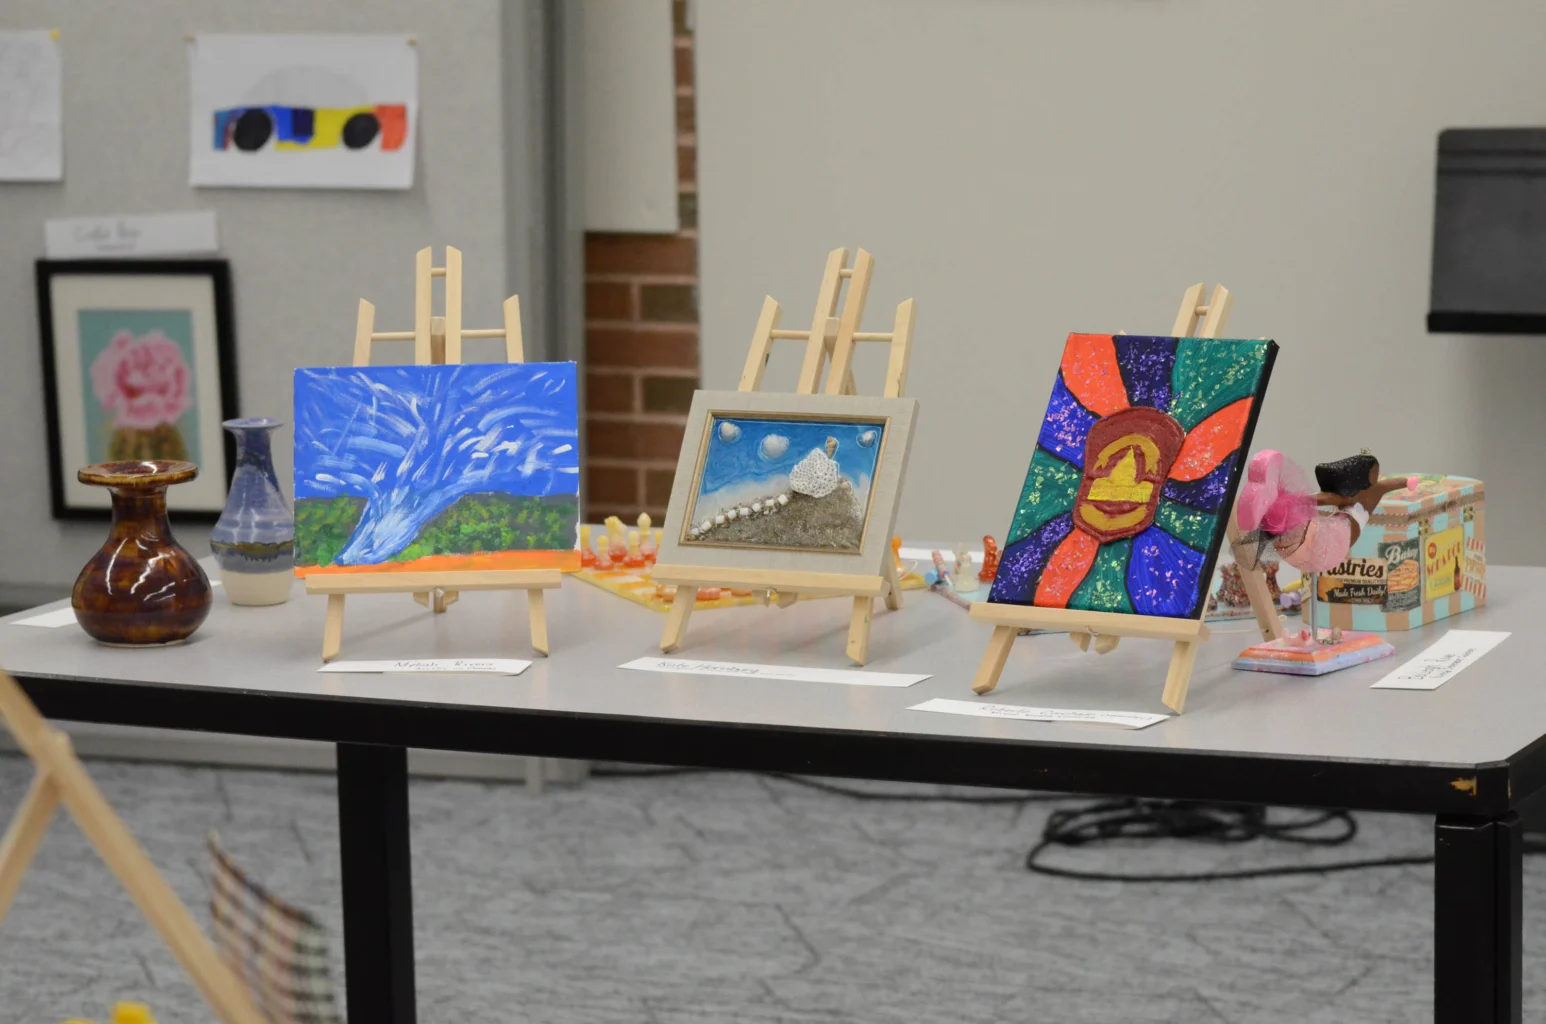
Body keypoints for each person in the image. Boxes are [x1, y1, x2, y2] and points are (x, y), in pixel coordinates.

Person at [1237, 451, 1411, 574]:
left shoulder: (1360, 496)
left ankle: (1273, 511)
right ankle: (1274, 511)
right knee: (1302, 532)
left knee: (1300, 534)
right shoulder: (1364, 495)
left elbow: (1327, 500)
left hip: (1334, 539)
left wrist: (1299, 502)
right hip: (1335, 536)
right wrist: (1408, 482)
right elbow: (1389, 485)